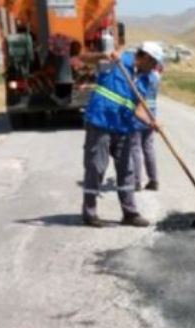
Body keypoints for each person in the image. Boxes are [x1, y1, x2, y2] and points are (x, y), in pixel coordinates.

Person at [79, 42, 165, 228]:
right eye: (154, 62)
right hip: (100, 121)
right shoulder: (116, 61)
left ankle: (130, 213)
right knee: (96, 167)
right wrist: (104, 54)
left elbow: (139, 108)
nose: (155, 66)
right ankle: (89, 213)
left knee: (127, 170)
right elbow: (82, 58)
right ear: (146, 57)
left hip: (123, 128)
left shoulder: (147, 78)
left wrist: (151, 122)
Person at [131, 63, 162, 192]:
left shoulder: (139, 79)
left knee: (136, 149)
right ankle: (153, 180)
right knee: (148, 148)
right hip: (151, 116)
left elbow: (135, 98)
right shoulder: (155, 77)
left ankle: (136, 182)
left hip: (139, 118)